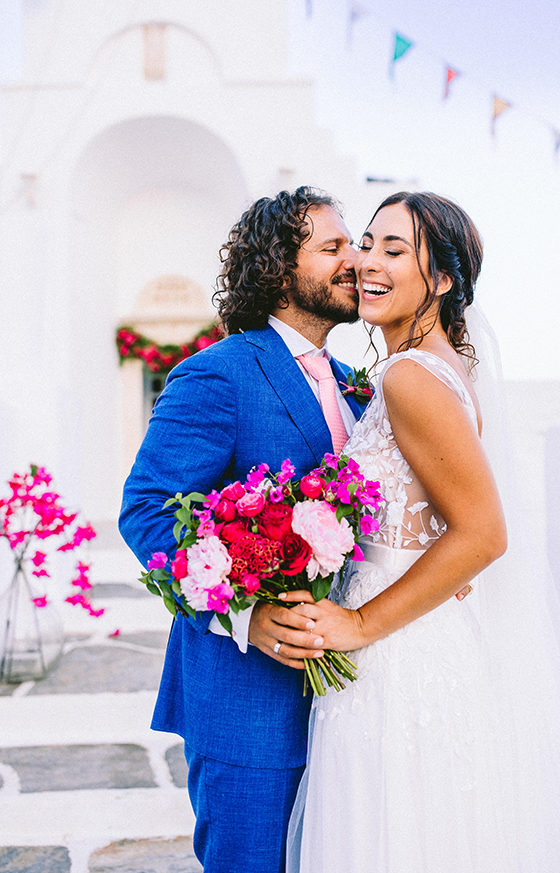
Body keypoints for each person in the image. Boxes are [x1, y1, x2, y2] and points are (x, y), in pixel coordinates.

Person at [285, 191, 560, 872]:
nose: (368, 261)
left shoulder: (410, 378)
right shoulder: (440, 367)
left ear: (444, 279)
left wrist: (359, 623)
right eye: (368, 242)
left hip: (398, 658)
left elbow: (483, 534)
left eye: (395, 250)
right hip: (424, 637)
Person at [118, 186, 366, 873]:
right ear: (280, 271)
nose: (355, 259)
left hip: (351, 708)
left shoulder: (359, 385)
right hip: (247, 701)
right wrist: (246, 615)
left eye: (351, 243)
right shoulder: (216, 374)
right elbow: (147, 509)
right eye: (333, 247)